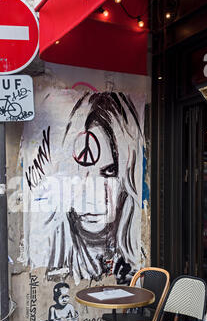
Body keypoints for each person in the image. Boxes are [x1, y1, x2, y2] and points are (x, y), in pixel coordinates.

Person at [45, 90, 144, 285]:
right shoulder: (58, 254)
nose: (94, 195)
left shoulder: (132, 259)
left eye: (109, 173)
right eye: (80, 174)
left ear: (127, 182)